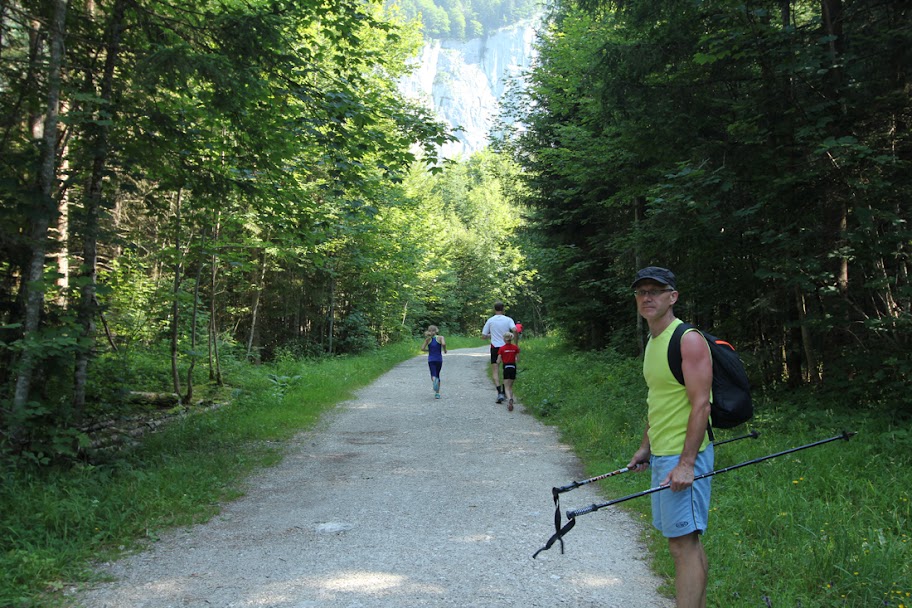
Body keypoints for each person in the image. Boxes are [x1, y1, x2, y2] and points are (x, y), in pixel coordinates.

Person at [625, 267, 714, 608]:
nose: (647, 297)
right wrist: (646, 447)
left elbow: (701, 404)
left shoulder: (687, 339)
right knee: (684, 542)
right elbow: (659, 400)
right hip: (663, 454)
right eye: (641, 292)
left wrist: (686, 464)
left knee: (682, 546)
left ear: (672, 297)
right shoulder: (653, 340)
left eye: (656, 291)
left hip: (684, 457)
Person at [481, 302, 516, 403]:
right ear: (503, 309)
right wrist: (515, 342)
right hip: (506, 347)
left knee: (495, 370)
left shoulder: (490, 320)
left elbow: (483, 336)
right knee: (506, 368)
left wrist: (491, 335)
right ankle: (506, 391)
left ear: (494, 309)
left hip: (495, 347)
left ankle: (499, 392)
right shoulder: (508, 319)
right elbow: (515, 330)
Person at [420, 325, 447, 399]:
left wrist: (428, 350)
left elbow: (422, 348)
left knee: (433, 374)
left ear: (429, 331)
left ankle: (434, 380)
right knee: (438, 374)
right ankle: (437, 393)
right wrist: (444, 350)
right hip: (439, 359)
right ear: (436, 330)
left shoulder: (428, 340)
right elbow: (443, 344)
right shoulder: (441, 337)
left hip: (431, 359)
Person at [495, 331, 520, 411]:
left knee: (506, 387)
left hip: (506, 367)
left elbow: (498, 361)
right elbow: (517, 359)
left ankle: (509, 400)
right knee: (510, 386)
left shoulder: (502, 349)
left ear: (504, 339)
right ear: (511, 339)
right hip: (513, 366)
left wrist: (499, 362)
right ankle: (511, 399)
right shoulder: (515, 348)